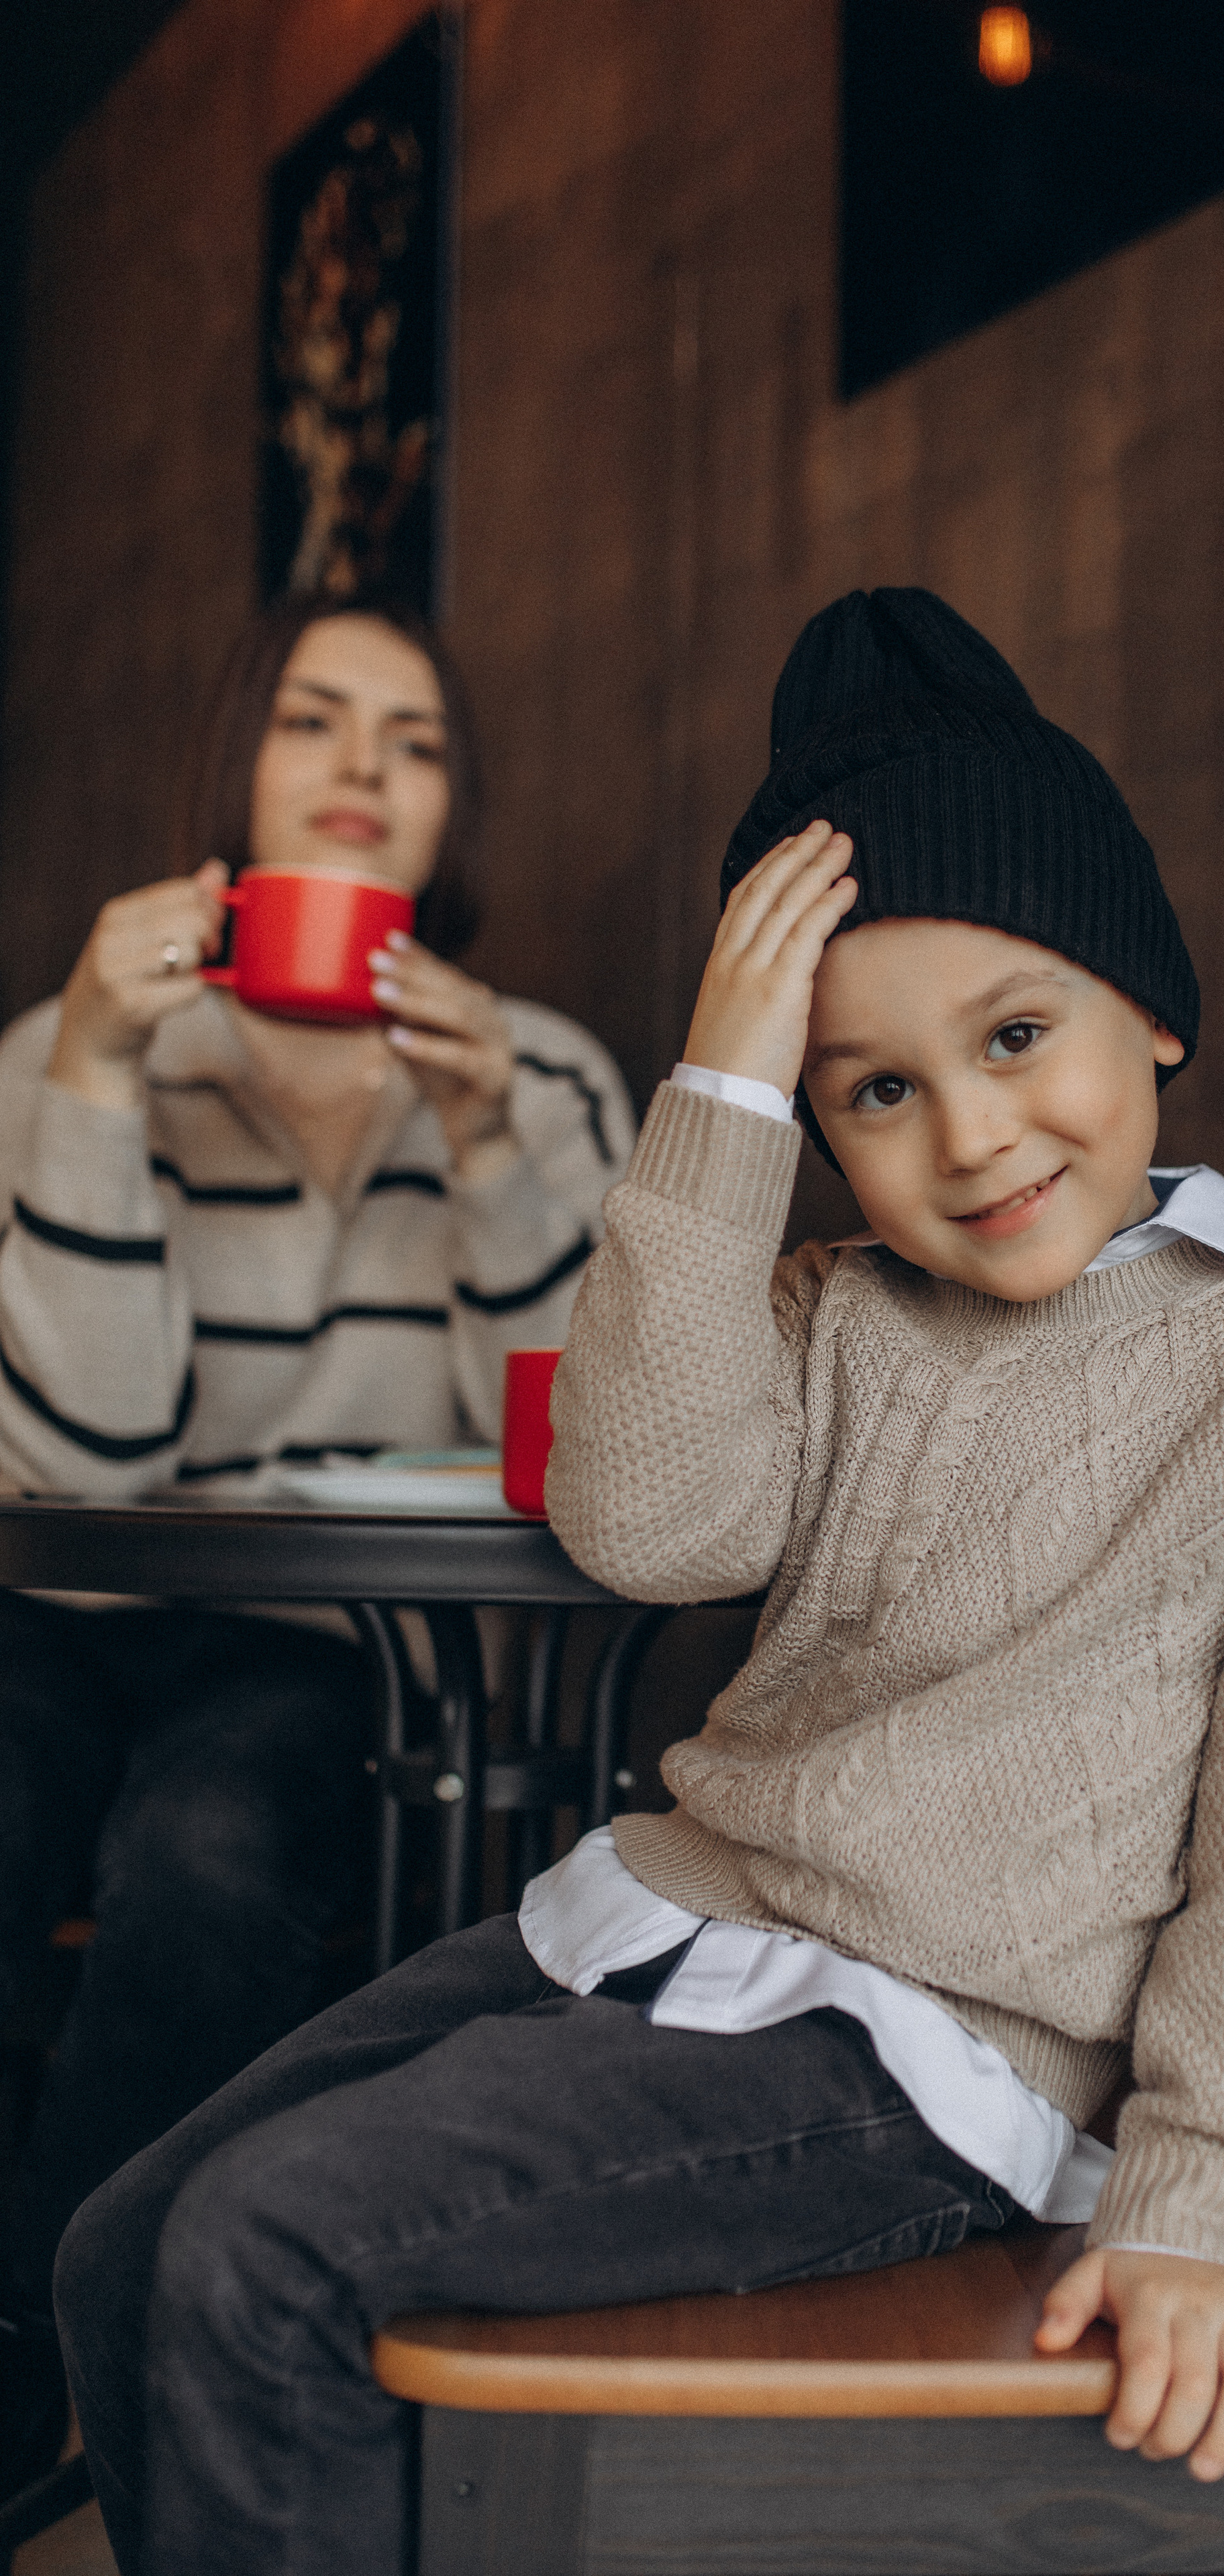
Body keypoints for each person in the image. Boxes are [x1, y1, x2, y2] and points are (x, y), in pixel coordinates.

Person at [55, 588, 1224, 2575]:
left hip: (940, 2046)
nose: (971, 1136)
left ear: (1153, 1009)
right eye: (871, 1092)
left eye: (1019, 1036)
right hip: (684, 1927)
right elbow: (653, 1524)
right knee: (126, 2241)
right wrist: (710, 1105)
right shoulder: (826, 1308)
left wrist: (1202, 2196)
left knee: (257, 2263)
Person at [0, 592, 634, 2504]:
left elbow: (595, 1461)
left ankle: (55, 2353)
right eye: (314, 722)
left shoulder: (547, 1074)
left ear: (450, 821)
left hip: (324, 1640)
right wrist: (100, 1082)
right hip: (53, 1612)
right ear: (238, 772)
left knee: (213, 1852)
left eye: (415, 740)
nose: (364, 770)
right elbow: (93, 1457)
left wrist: (495, 1144)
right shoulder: (67, 1048)